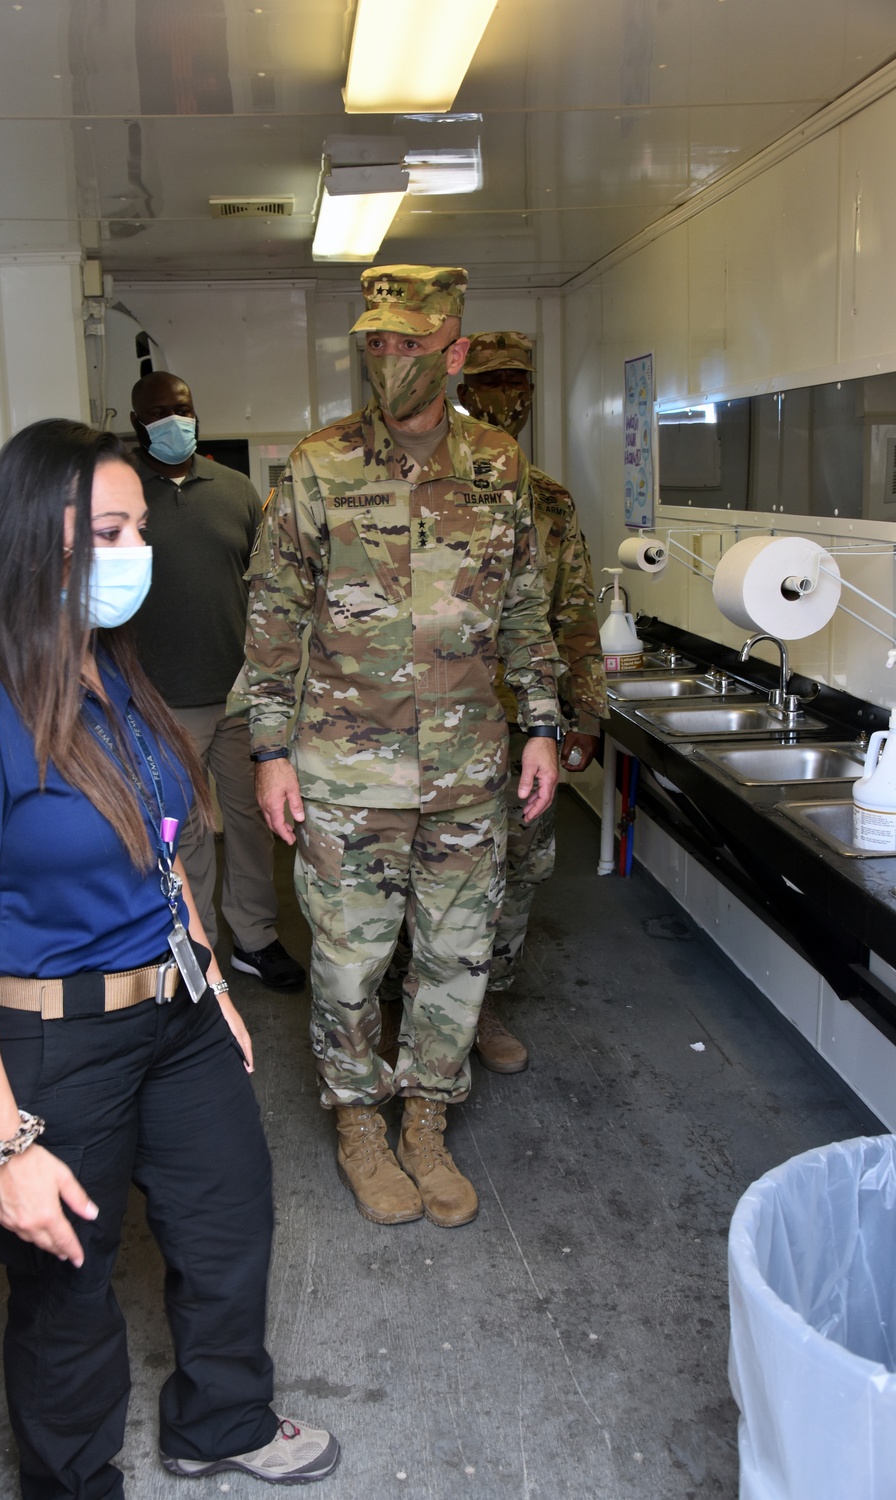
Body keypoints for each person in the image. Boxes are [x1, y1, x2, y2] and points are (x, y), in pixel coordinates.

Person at [0, 420, 338, 1499]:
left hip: (176, 1017)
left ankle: (221, 1420)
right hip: (50, 1043)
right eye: (111, 528)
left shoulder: (110, 676)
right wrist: (2, 1148)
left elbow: (161, 843)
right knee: (66, 1291)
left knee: (230, 1222)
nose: (135, 547)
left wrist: (211, 979)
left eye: (137, 524)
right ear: (32, 538)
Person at [237, 266, 561, 1231]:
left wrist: (542, 725)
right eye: (375, 343)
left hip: (466, 771)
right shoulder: (318, 464)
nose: (390, 361)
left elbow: (525, 614)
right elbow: (274, 614)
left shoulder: (499, 466)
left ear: (454, 351)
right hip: (345, 772)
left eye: (409, 344)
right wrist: (270, 749)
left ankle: (426, 1117)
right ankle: (358, 1122)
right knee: (347, 965)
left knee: (457, 959)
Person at [455, 330, 608, 1072]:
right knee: (438, 867)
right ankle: (415, 1001)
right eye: (491, 383)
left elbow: (574, 614)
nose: (506, 399)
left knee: (520, 868)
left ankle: (483, 1004)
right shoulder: (432, 485)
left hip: (529, 724)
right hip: (443, 722)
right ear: (460, 388)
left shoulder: (548, 500)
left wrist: (586, 712)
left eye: (519, 383)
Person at [129, 371, 304, 990]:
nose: (174, 422)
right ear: (136, 424)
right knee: (184, 829)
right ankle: (195, 945)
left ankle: (254, 940)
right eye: (158, 414)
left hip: (239, 697)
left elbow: (269, 592)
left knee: (254, 821)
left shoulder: (235, 491)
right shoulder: (123, 493)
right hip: (156, 703)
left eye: (183, 410)